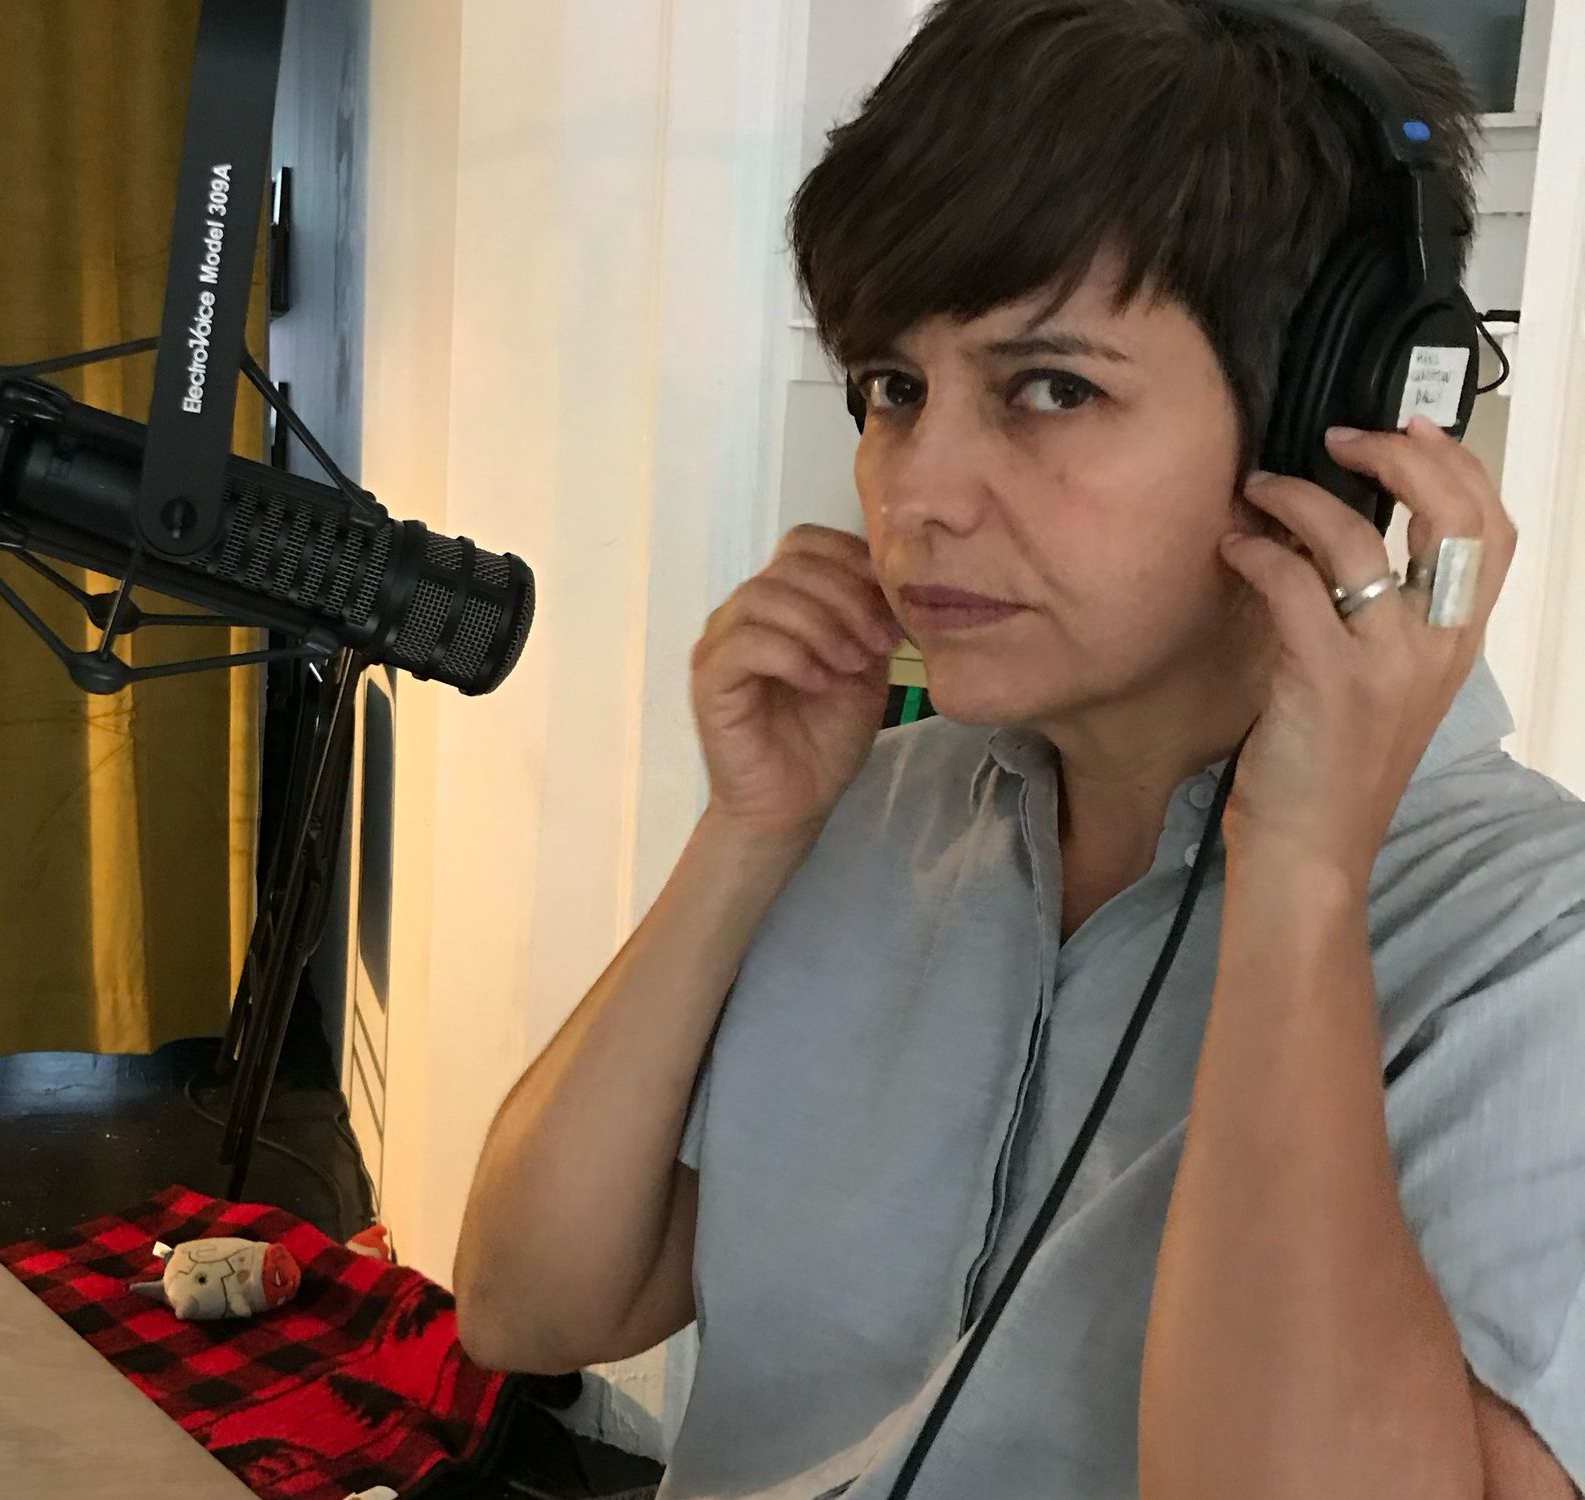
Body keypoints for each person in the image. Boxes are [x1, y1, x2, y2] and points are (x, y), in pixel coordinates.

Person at [451, 2, 1585, 1496]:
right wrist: (747, 839)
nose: (916, 493)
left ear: (1340, 425)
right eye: (891, 389)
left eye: (1053, 388)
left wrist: (1300, 881)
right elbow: (536, 1304)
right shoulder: (869, 813)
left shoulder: (1535, 951)